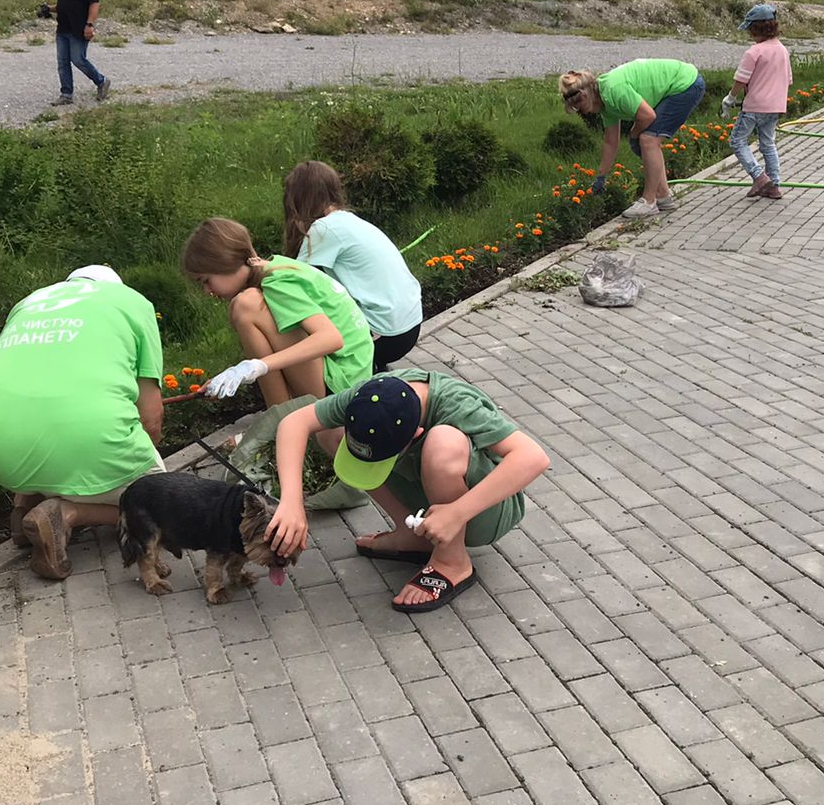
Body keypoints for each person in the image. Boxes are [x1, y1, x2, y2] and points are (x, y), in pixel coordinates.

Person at [265, 373, 551, 613]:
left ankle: (452, 561)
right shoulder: (370, 397)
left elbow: (533, 458)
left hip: (484, 510)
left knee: (443, 443)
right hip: (432, 496)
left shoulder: (457, 404)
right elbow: (294, 422)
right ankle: (411, 535)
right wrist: (291, 502)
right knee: (329, 432)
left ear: (415, 433)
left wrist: (457, 512)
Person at [0, 265, 164, 580]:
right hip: (80, 435)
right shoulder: (131, 301)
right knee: (162, 503)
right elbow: (151, 418)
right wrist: (137, 468)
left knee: (50, 434)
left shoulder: (31, 301)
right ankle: (66, 513)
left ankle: (28, 497)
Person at [182, 217, 375, 407]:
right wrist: (232, 376)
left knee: (245, 306)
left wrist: (257, 366)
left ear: (224, 263)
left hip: (343, 383)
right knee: (243, 307)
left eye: (206, 281)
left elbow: (331, 338)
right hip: (347, 374)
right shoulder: (277, 267)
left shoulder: (276, 283)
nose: (207, 292)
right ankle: (280, 418)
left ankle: (279, 418)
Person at [282, 161, 424, 372]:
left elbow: (291, 279)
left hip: (386, 334)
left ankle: (350, 378)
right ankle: (375, 368)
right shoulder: (347, 220)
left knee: (302, 319)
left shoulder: (324, 229)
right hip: (409, 324)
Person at [559, 58, 706, 219]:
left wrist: (634, 133)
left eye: (580, 107)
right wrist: (601, 176)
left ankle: (649, 202)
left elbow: (648, 116)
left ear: (585, 95)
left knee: (648, 140)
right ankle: (663, 196)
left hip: (685, 84)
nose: (581, 112)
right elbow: (610, 142)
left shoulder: (614, 90)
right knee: (648, 141)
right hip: (679, 83)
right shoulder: (604, 103)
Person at [721, 3, 792, 199]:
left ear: (757, 29)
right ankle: (773, 185)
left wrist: (730, 98)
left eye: (751, 30)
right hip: (776, 107)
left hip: (754, 106)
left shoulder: (754, 52)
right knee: (768, 144)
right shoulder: (783, 51)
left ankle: (759, 176)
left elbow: (740, 80)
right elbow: (789, 80)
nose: (750, 35)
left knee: (737, 141)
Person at [44, 0, 111, 106]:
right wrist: (49, 8)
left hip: (79, 29)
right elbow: (63, 5)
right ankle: (66, 94)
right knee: (62, 62)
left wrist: (90, 24)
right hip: (63, 29)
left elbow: (94, 4)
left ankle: (101, 81)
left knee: (78, 59)